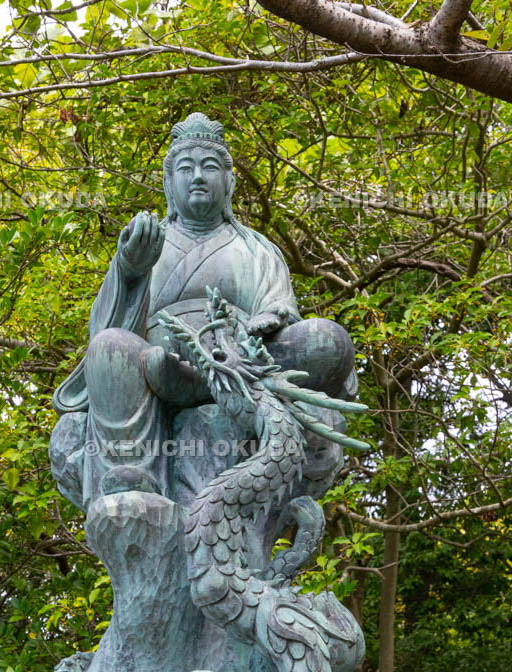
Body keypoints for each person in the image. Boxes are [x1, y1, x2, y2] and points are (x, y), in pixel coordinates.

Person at [52, 112, 357, 508]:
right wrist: (130, 270)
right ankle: (134, 471)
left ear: (229, 182)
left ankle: (209, 382)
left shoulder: (258, 249)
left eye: (210, 167)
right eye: (186, 167)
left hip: (240, 365)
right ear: (168, 182)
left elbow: (283, 315)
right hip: (162, 365)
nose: (198, 176)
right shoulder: (148, 244)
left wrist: (269, 323)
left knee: (328, 340)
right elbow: (105, 333)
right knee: (110, 347)